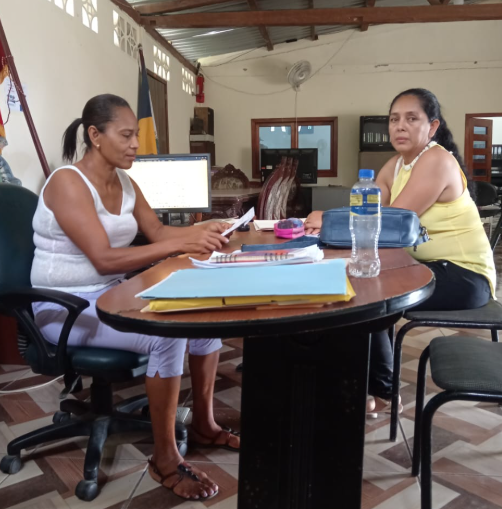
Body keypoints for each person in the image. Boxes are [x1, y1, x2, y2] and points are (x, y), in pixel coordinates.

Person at [30, 94, 240, 501]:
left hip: (110, 296)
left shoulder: (125, 182)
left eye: (136, 136)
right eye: (126, 135)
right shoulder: (67, 183)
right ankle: (164, 459)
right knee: (165, 334)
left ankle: (205, 425)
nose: (135, 145)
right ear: (95, 135)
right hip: (64, 308)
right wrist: (180, 244)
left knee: (202, 312)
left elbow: (158, 232)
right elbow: (104, 259)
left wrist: (209, 228)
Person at [305, 88, 496, 413]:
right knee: (360, 280)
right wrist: (330, 223)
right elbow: (365, 214)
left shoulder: (436, 160)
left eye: (411, 119)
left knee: (371, 289)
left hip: (464, 275)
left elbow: (392, 224)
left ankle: (382, 391)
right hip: (424, 266)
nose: (400, 126)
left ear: (432, 127)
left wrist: (328, 220)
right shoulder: (394, 165)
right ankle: (361, 383)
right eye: (394, 119)